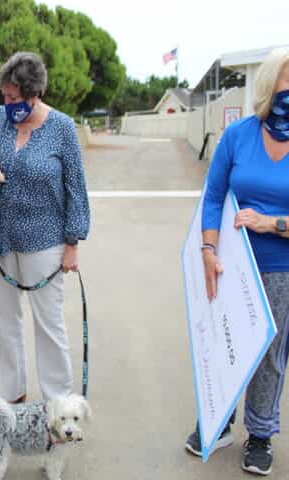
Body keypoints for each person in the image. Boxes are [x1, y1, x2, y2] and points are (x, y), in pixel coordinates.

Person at [184, 47, 289, 476]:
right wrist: (208, 250)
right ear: (268, 88)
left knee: (268, 353)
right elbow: (213, 196)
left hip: (282, 268)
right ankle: (218, 418)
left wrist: (272, 223)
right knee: (224, 344)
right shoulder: (238, 136)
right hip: (231, 263)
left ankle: (260, 433)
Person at [0, 52, 90, 404]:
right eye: (4, 97)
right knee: (5, 322)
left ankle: (59, 407)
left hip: (45, 241)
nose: (7, 104)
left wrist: (73, 243)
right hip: (1, 237)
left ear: (34, 93)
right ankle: (13, 398)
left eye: (15, 98)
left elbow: (75, 188)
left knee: (49, 326)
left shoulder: (62, 128)